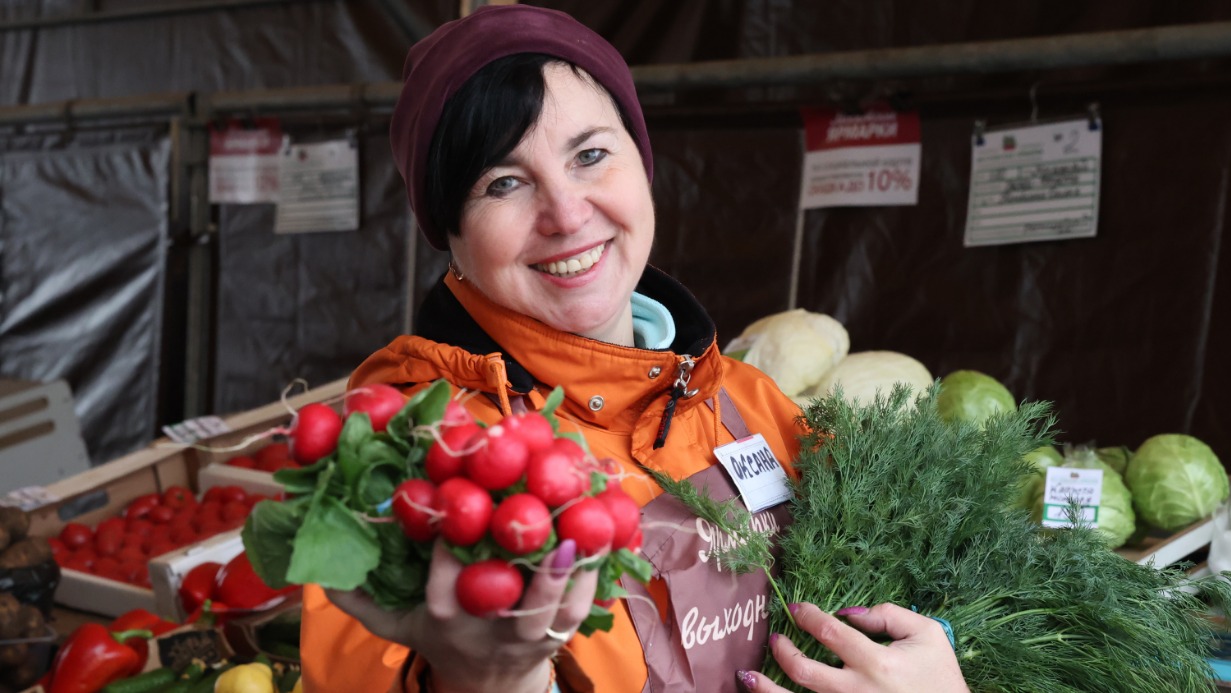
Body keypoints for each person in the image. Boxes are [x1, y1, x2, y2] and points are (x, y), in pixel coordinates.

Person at [299, 5, 969, 693]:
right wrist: (484, 681)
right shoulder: (412, 458)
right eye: (503, 182)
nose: (565, 213)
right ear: (452, 234)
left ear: (642, 163)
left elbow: (886, 593)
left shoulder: (749, 399)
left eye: (590, 155)